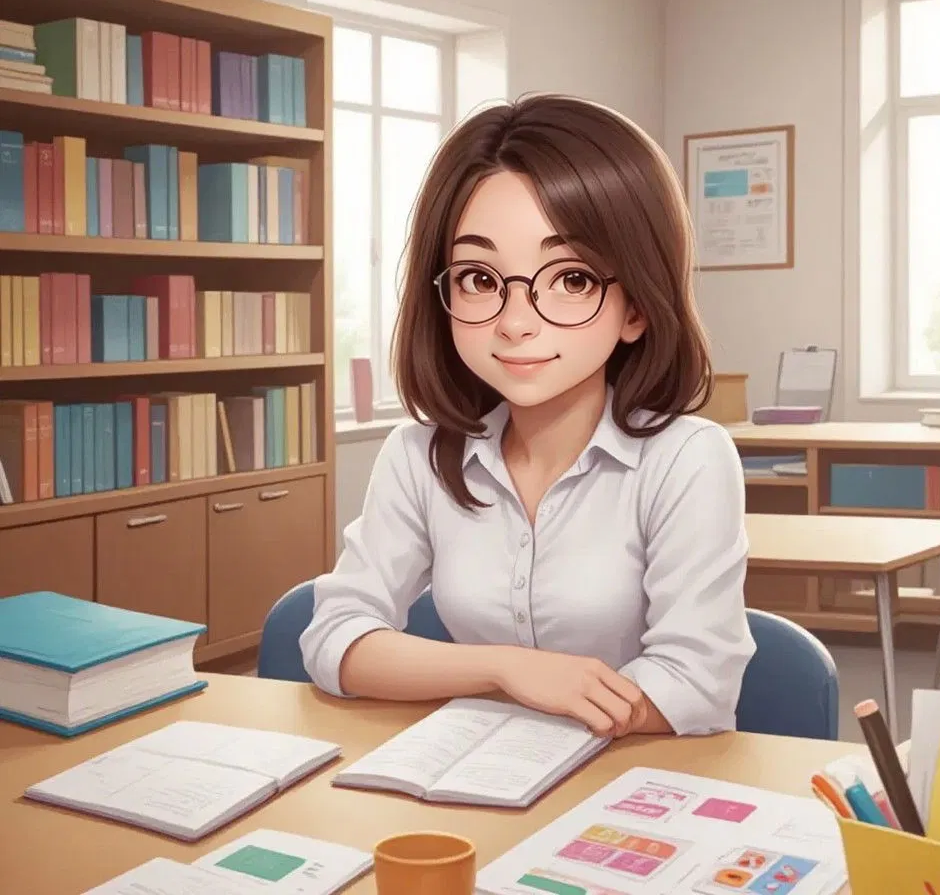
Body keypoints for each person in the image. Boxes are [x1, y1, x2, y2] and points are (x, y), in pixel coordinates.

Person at [300, 92, 756, 739]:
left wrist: (526, 688)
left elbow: (696, 688)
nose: (516, 323)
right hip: (475, 780)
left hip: (633, 788)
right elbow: (335, 639)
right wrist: (506, 670)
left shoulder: (687, 459)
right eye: (480, 280)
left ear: (636, 307)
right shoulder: (419, 454)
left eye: (570, 280)